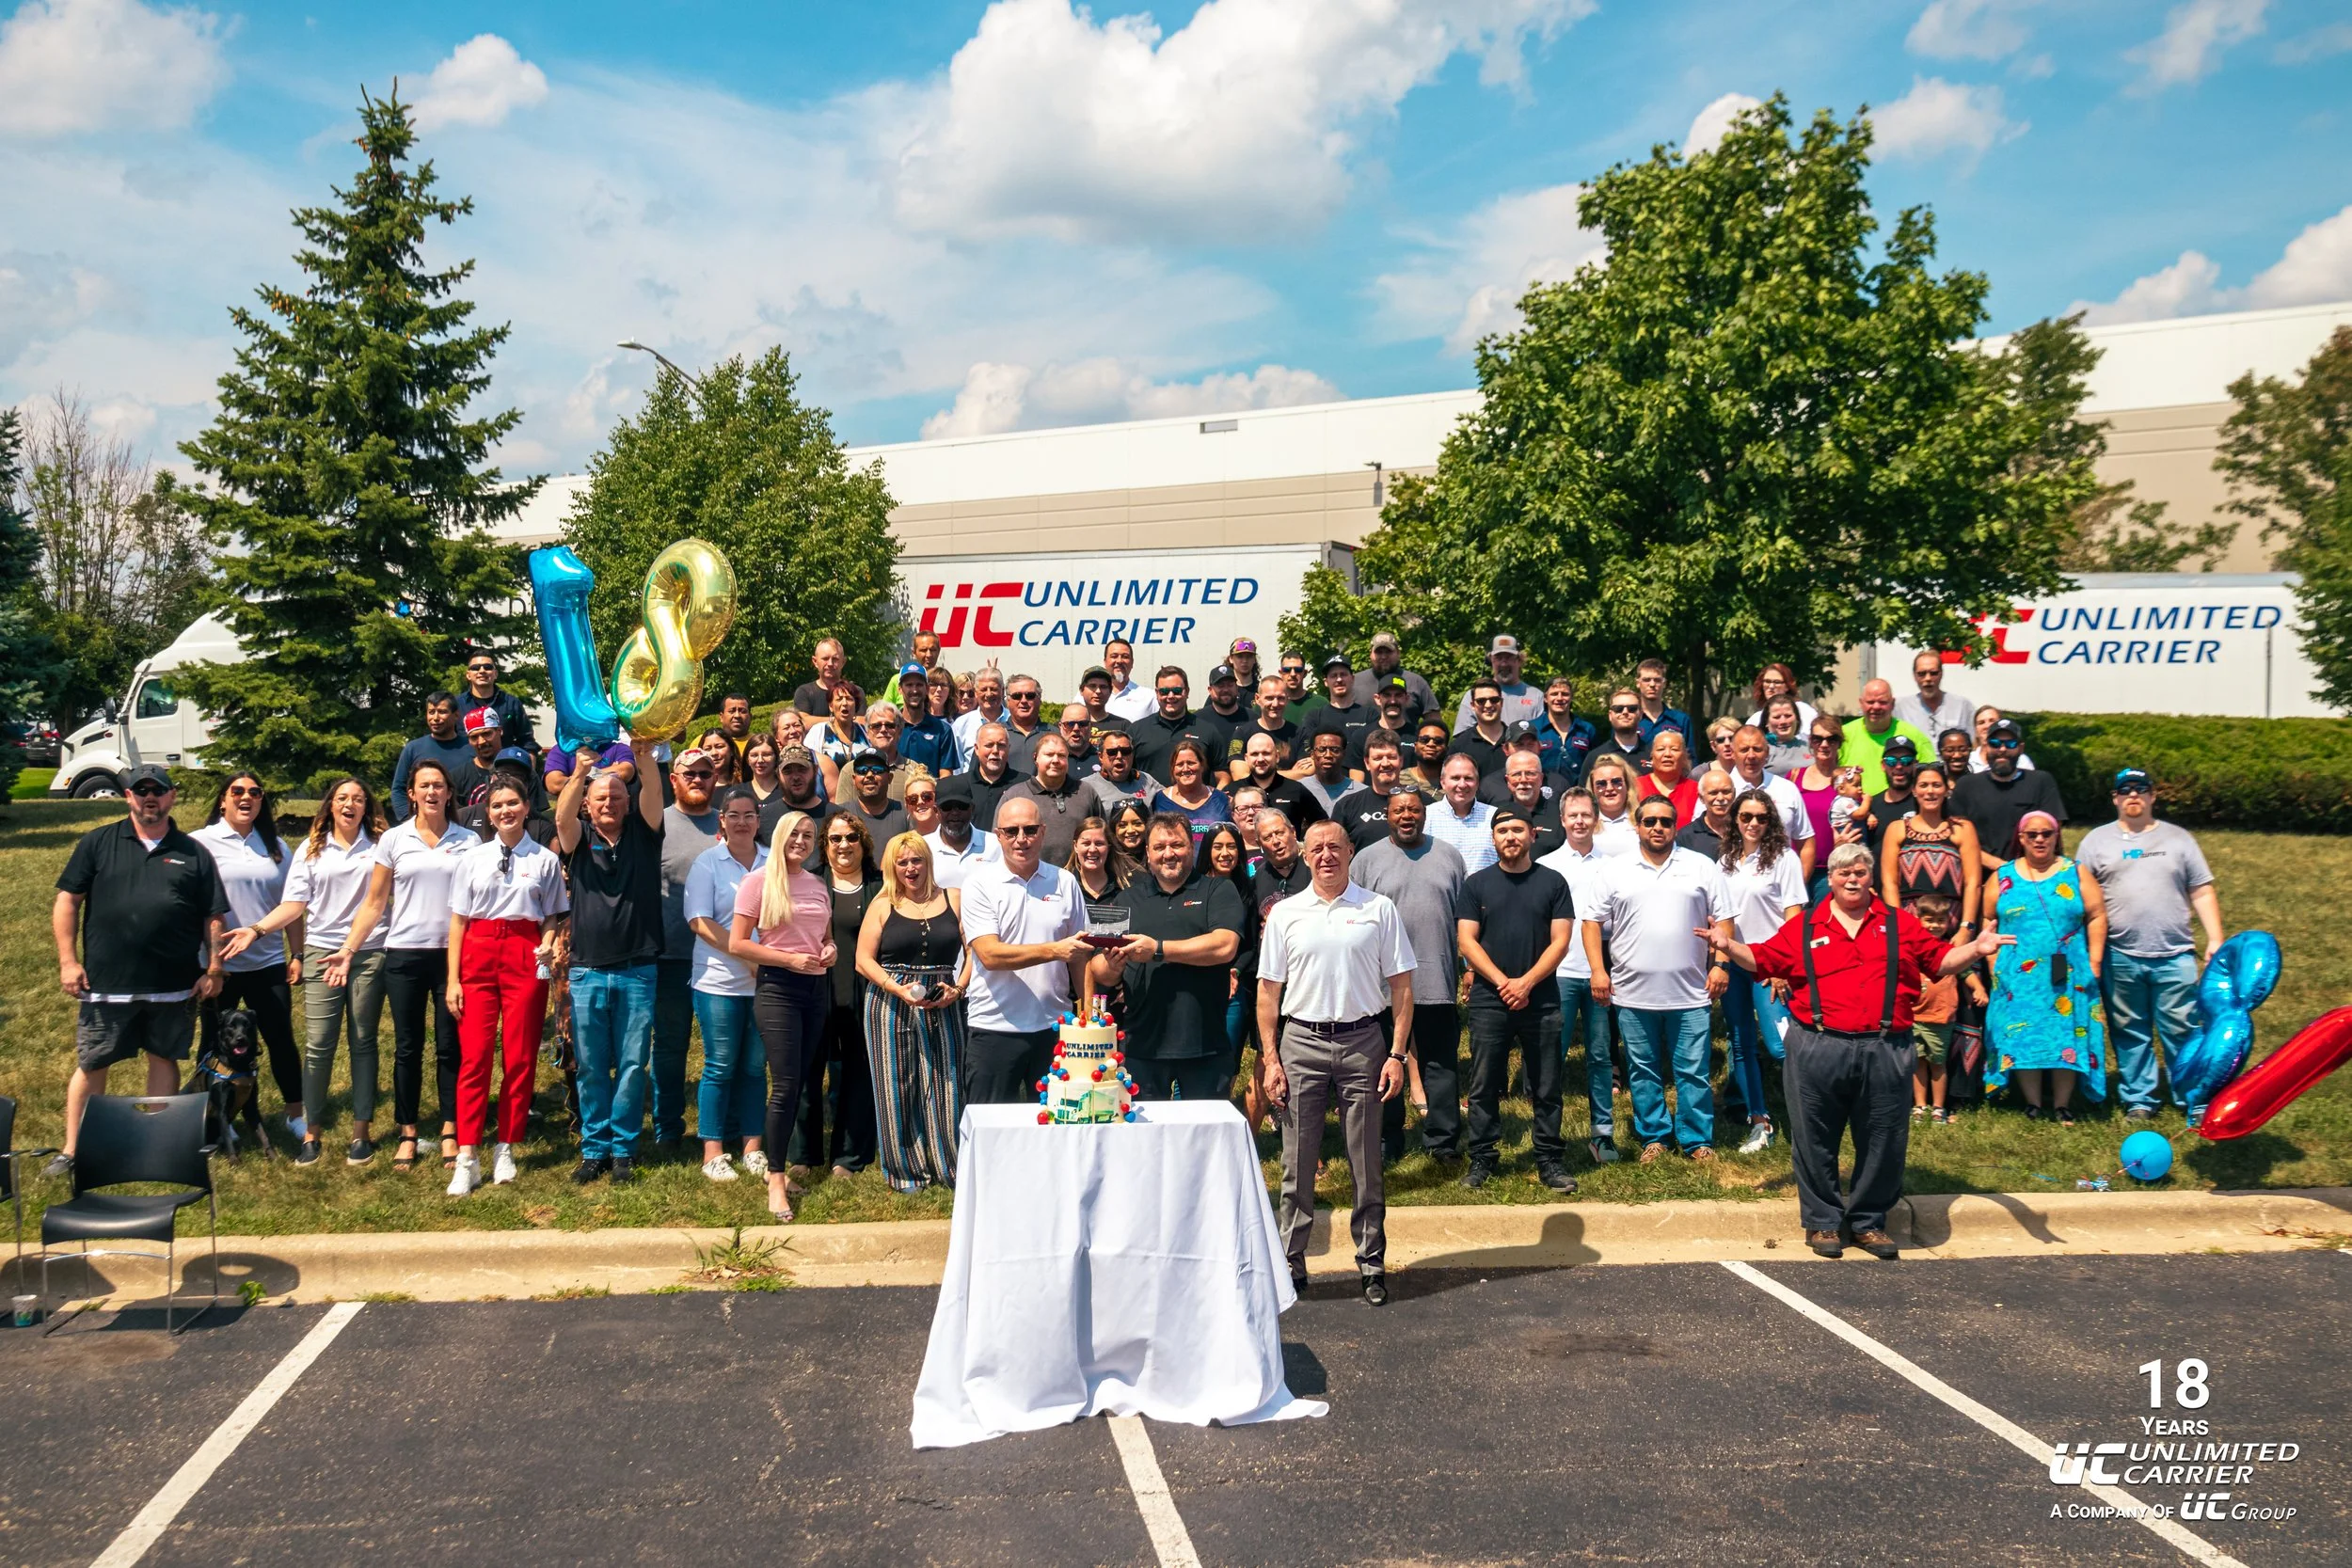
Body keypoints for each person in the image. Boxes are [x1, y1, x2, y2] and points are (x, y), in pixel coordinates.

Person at [1700, 840, 2010, 1258]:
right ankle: (1823, 1222)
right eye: (1843, 871)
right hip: (1817, 1044)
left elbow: (1938, 962)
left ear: (1871, 878)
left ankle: (1867, 1222)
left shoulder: (1900, 924)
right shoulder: (1806, 926)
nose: (1851, 877)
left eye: (1859, 871)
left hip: (1886, 1047)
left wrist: (1975, 949)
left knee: (1883, 1137)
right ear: (1830, 879)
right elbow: (1763, 959)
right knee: (1814, 1138)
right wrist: (1727, 945)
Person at [1257, 821, 1414, 1304]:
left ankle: (1371, 1262)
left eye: (1335, 847)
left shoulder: (1378, 909)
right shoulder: (1285, 913)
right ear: (1305, 857)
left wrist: (1397, 1054)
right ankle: (1292, 1260)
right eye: (1317, 849)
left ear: (1351, 852)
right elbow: (1268, 992)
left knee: (1366, 1160)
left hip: (1364, 1042)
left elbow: (1403, 988)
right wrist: (1270, 1059)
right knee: (1296, 1161)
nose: (1326, 856)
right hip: (1300, 1042)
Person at [49, 763, 230, 1176]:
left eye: (158, 790)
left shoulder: (193, 853)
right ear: (128, 796)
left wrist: (215, 967)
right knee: (93, 1063)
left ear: (172, 796)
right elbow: (67, 902)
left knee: (163, 1060)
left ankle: (155, 1145)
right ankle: (75, 1149)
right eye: (140, 790)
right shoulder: (98, 843)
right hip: (105, 984)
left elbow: (213, 916)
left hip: (172, 986)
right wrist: (68, 961)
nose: (150, 797)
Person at [336, 758, 481, 1173]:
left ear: (449, 793)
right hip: (403, 955)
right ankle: (408, 1131)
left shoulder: (468, 841)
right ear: (412, 794)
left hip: (453, 957)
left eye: (439, 785)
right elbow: (375, 902)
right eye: (424, 786)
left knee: (450, 1046)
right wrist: (349, 948)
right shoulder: (394, 840)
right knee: (407, 1047)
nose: (432, 792)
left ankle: (451, 1127)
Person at [236, 777, 388, 1165]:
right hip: (323, 953)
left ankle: (361, 1133)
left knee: (363, 1042)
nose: (350, 804)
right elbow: (294, 904)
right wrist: (257, 930)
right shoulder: (312, 848)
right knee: (319, 1045)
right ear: (330, 806)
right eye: (342, 799)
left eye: (358, 799)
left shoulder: (382, 846)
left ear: (367, 807)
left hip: (369, 953)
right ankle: (311, 1133)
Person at [1584, 794, 1732, 1162]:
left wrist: (1720, 964)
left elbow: (1725, 917)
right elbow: (1591, 922)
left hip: (1692, 993)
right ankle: (1655, 1137)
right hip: (1633, 995)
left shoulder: (1701, 866)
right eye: (1649, 821)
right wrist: (1598, 970)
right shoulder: (1615, 869)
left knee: (1693, 1072)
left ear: (1675, 825)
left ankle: (1697, 1141)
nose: (1658, 828)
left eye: (1665, 821)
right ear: (1638, 826)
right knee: (1642, 1071)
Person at [440, 777, 566, 1196]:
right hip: (478, 951)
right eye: (497, 806)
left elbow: (551, 915)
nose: (505, 811)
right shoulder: (472, 858)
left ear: (527, 807)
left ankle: (506, 1147)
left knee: (520, 1056)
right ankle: (467, 1155)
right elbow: (458, 920)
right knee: (474, 1058)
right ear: (487, 813)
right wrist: (453, 979)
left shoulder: (545, 860)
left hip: (523, 954)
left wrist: (548, 941)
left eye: (512, 803)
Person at [2075, 768, 2224, 1119]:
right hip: (2120, 954)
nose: (2133, 796)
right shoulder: (2095, 842)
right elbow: (2081, 897)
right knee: (2130, 1031)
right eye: (2124, 790)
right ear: (2115, 798)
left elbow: (2201, 890)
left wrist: (2215, 938)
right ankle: (2139, 1098)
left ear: (2152, 796)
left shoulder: (2179, 839)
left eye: (2140, 789)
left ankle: (2192, 1097)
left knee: (2183, 1029)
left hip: (2175, 954)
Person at [554, 735, 667, 1183]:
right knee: (592, 1066)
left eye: (616, 796)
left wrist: (642, 757)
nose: (609, 803)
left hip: (638, 968)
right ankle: (594, 1149)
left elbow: (654, 793)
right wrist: (581, 773)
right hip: (586, 970)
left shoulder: (645, 832)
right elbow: (561, 816)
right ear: (588, 803)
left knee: (634, 1063)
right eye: (601, 798)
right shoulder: (578, 839)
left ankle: (623, 1150)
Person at [1456, 809, 1579, 1192]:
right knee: (1483, 1084)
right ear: (1493, 838)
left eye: (1517, 830)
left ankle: (1549, 1159)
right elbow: (1466, 941)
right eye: (1502, 830)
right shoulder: (1476, 885)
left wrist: (1525, 983)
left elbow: (1561, 941)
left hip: (1540, 999)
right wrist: (1502, 982)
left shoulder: (1553, 882)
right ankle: (1482, 1158)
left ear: (1532, 834)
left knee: (1546, 1084)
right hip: (1489, 1000)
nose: (1510, 836)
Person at [1095, 814, 1245, 1101]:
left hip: (1205, 1043)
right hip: (1142, 1046)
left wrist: (1158, 950)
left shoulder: (1218, 890)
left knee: (1204, 1139)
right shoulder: (1126, 899)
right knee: (1145, 1140)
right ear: (1148, 853)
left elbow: (1224, 946)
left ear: (1192, 848)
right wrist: (1111, 965)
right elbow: (1099, 971)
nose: (1168, 854)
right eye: (1160, 847)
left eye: (1177, 845)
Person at [1353, 788, 1468, 1161]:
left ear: (1424, 815)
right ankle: (1388, 1141)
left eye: (1414, 810)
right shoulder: (1367, 861)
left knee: (1441, 1066)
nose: (1407, 816)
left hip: (1438, 981)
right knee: (1383, 1065)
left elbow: (1463, 921)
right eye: (1399, 810)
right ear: (1388, 815)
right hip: (1380, 988)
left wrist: (1466, 968)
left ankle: (1443, 1141)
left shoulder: (1449, 856)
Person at [730, 811, 833, 1220]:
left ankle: (781, 1167)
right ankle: (776, 1177)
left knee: (805, 1080)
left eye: (809, 835)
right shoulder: (757, 881)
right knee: (785, 1085)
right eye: (795, 833)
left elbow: (823, 937)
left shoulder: (817, 883)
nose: (802, 841)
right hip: (778, 989)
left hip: (816, 988)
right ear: (779, 837)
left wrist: (830, 950)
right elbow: (738, 944)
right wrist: (787, 959)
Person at [191, 772, 303, 1143]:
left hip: (267, 963)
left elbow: (291, 905)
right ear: (222, 800)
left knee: (280, 1040)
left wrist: (297, 953)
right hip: (217, 967)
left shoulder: (276, 847)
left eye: (255, 792)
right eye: (237, 791)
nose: (246, 798)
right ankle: (214, 1117)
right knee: (212, 1044)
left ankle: (294, 1114)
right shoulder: (199, 843)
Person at [856, 832, 970, 1192]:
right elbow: (862, 960)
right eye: (902, 862)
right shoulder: (883, 904)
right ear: (892, 866)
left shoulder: (954, 898)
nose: (910, 868)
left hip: (944, 996)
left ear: (928, 862)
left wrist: (959, 987)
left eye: (917, 860)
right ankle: (905, 1170)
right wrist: (895, 988)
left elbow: (975, 952)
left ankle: (949, 1164)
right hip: (890, 1001)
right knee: (896, 1082)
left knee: (947, 1081)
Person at [959, 798, 1091, 1105]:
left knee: (1057, 1127)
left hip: (1054, 1028)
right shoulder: (979, 884)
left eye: (1030, 830)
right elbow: (990, 956)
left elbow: (1080, 957)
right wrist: (1055, 950)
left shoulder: (1065, 881)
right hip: (994, 1028)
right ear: (998, 835)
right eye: (1012, 831)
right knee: (990, 1130)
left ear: (1043, 832)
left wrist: (1084, 1019)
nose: (1022, 839)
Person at [1982, 812, 2109, 1125]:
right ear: (2021, 838)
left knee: (2066, 1033)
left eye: (2046, 834)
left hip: (2069, 971)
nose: (2040, 839)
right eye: (2032, 834)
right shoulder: (2003, 875)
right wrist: (1992, 961)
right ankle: (2033, 1103)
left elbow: (2097, 915)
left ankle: (2063, 1104)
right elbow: (1988, 919)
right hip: (2017, 973)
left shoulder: (2075, 872)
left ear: (2056, 836)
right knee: (2024, 1034)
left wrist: (2094, 961)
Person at [685, 786, 769, 1183]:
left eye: (748, 815)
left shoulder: (773, 863)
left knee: (754, 1067)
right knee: (719, 1066)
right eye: (733, 815)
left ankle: (753, 1146)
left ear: (758, 820)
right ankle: (713, 1151)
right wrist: (746, 954)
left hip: (764, 983)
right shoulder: (708, 863)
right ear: (722, 820)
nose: (741, 822)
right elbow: (699, 921)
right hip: (718, 982)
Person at [1718, 790, 1806, 1155]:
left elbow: (1795, 917)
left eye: (1761, 817)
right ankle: (1760, 1121)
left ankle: (1806, 1117)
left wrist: (1783, 965)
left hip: (1770, 966)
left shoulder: (1784, 858)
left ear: (1770, 821)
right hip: (1735, 963)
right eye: (1746, 816)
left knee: (1780, 1045)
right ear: (1736, 819)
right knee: (1740, 1044)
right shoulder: (1724, 861)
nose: (1753, 823)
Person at [1537, 789, 1620, 1165]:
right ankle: (1548, 1137)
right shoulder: (1548, 865)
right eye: (1573, 815)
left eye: (1587, 814)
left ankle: (1602, 1136)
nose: (1580, 821)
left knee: (1601, 1056)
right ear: (1562, 819)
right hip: (1560, 974)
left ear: (1596, 817)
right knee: (1551, 1057)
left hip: (1601, 974)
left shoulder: (1615, 864)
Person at [649, 748, 723, 1161]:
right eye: (688, 773)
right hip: (671, 954)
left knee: (721, 1049)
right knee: (671, 1046)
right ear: (673, 779)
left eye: (705, 773)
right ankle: (668, 1128)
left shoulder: (728, 822)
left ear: (716, 778)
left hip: (719, 957)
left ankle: (721, 1126)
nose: (697, 779)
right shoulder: (657, 822)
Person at [802, 814, 880, 1179]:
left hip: (865, 994)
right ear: (825, 846)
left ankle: (848, 1157)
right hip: (815, 993)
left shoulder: (881, 886)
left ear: (863, 843)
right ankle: (804, 1155)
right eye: (835, 839)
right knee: (809, 1074)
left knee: (857, 1076)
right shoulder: (808, 884)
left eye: (851, 837)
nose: (843, 845)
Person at [1950, 718, 2067, 865]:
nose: (2002, 749)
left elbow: (2051, 832)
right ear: (1986, 747)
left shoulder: (2041, 782)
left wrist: (2018, 871)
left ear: (2021, 748)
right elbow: (1957, 837)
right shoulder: (1966, 785)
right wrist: (2002, 867)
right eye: (1995, 744)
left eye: (2010, 744)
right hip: (1981, 874)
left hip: (2032, 873)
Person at [1905, 894, 1980, 1125]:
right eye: (1929, 920)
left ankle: (1939, 1107)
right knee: (1917, 1062)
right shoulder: (1912, 947)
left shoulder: (1950, 948)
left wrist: (1978, 989)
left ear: (1949, 922)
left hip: (1940, 1017)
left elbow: (1965, 971)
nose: (1934, 925)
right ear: (1918, 920)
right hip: (1914, 1015)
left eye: (1940, 920)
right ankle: (1919, 1105)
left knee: (1938, 1063)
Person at [1879, 764, 1982, 928]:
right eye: (1923, 785)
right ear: (1914, 790)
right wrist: (1899, 926)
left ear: (1947, 790)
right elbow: (1890, 884)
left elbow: (1973, 883)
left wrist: (1966, 927)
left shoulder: (1962, 829)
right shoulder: (1897, 829)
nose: (1930, 791)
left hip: (1950, 926)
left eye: (1936, 785)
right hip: (1908, 926)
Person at [1200, 822, 1258, 1086]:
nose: (1225, 853)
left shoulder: (1249, 890)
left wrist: (1235, 970)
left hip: (1235, 986)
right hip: (1197, 983)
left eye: (1232, 846)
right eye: (1218, 846)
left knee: (1227, 1060)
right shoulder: (1194, 888)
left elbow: (1252, 943)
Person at [1726, 725, 1816, 875]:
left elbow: (1806, 843)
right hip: (1732, 884)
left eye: (1757, 749)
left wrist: (1799, 885)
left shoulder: (1787, 789)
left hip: (1781, 885)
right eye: (1744, 750)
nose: (1751, 755)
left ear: (1767, 752)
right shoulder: (1719, 790)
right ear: (1733, 753)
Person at [1000, 731, 1089, 864]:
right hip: (1027, 879)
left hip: (1078, 879)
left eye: (1061, 755)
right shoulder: (1014, 796)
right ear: (1035, 758)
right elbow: (998, 841)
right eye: (1049, 755)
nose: (1055, 760)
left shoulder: (1086, 792)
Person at [389, 692, 474, 823]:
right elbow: (399, 789)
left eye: (442, 712)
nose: (435, 718)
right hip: (422, 825)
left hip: (464, 825)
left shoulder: (470, 748)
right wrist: (408, 818)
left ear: (456, 715)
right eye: (431, 712)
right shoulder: (413, 748)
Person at [1130, 667, 1222, 785]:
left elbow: (1222, 775)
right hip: (1150, 803)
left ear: (1187, 692)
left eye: (1177, 690)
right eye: (1164, 691)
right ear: (1157, 693)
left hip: (1196, 803)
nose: (1171, 696)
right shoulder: (1137, 730)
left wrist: (1213, 800)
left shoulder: (1208, 730)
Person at [1840, 679, 1932, 797]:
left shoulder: (1913, 735)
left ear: (1893, 703)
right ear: (1861, 703)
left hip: (1902, 808)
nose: (1876, 707)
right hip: (1853, 810)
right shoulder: (1843, 736)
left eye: (1883, 702)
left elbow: (1931, 775)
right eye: (1870, 702)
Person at [1331, 734, 1420, 849]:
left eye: (1391, 757)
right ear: (1367, 763)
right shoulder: (1347, 807)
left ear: (1401, 760)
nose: (1385, 763)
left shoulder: (1423, 802)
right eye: (1378, 758)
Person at [1226, 730, 1317, 833]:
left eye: (1266, 753)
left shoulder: (1296, 790)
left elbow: (1321, 825)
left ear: (1277, 756)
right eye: (1255, 754)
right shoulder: (1232, 791)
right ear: (1246, 758)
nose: (1260, 759)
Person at [1300, 654, 1380, 771]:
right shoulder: (1314, 717)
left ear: (1352, 679)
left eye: (1343, 674)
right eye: (1333, 676)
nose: (1339, 680)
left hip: (1362, 783)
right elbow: (1309, 755)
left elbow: (1375, 752)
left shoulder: (1370, 715)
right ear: (1326, 682)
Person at [925, 773, 1000, 890]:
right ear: (936, 811)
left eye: (962, 806)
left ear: (972, 808)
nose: (955, 812)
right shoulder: (923, 847)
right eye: (947, 807)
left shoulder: (995, 844)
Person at [1426, 752, 1498, 875]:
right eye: (1455, 778)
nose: (1462, 784)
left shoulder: (1494, 816)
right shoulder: (1426, 816)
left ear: (1478, 782)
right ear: (1443, 782)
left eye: (1468, 778)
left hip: (1484, 892)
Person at [1486, 749, 1567, 856]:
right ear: (1507, 781)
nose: (1523, 779)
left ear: (1541, 778)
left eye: (1530, 773)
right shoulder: (1493, 813)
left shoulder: (1560, 814)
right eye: (1516, 774)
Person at [1149, 737, 1233, 839]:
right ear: (1173, 769)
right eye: (1180, 764)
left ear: (1202, 765)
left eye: (1191, 763)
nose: (1185, 769)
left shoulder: (1221, 799)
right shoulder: (1159, 800)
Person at [1452, 634, 1540, 730]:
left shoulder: (1536, 697)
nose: (1504, 663)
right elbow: (1463, 738)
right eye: (1498, 658)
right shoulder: (1474, 696)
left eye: (1509, 657)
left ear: (1519, 660)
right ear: (1490, 661)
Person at [458, 649, 534, 757]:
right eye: (475, 668)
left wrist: (528, 769)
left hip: (505, 768)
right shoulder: (457, 705)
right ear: (468, 675)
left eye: (487, 667)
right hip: (468, 770)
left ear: (495, 674)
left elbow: (527, 741)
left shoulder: (511, 703)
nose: (482, 671)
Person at [1351, 631, 1437, 726]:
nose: (1383, 656)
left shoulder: (1416, 682)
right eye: (1379, 652)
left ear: (1398, 653)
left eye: (1388, 651)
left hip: (1407, 740)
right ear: (1371, 654)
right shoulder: (1354, 682)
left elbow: (1435, 723)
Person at [836, 748, 912, 847]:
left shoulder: (906, 813)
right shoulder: (840, 815)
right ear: (854, 780)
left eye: (877, 770)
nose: (869, 775)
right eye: (862, 770)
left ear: (890, 778)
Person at [1894, 650, 1973, 745]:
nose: (1928, 678)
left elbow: (1975, 742)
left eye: (1933, 673)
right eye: (1922, 674)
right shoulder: (1901, 708)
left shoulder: (1962, 706)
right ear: (1914, 676)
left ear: (1941, 674)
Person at [896, 667, 961, 779]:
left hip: (930, 795)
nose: (915, 690)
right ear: (900, 689)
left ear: (926, 688)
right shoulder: (890, 727)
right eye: (909, 685)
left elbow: (946, 776)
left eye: (919, 685)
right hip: (895, 794)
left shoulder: (943, 730)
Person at [1531, 675, 1598, 783]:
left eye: (1565, 694)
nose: (1559, 698)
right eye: (1554, 694)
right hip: (1543, 793)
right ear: (1545, 698)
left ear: (1571, 698)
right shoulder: (1533, 729)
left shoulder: (1586, 729)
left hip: (1578, 794)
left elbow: (1596, 766)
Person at [1080, 728, 1161, 817]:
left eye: (1125, 751)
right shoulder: (1087, 787)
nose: (1119, 756)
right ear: (1100, 756)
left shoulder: (1146, 779)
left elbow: (1171, 798)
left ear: (1132, 755)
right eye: (1112, 752)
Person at [1861, 735, 1921, 851]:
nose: (1899, 767)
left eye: (1906, 761)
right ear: (1883, 765)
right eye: (1891, 761)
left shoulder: (1924, 804)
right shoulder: (1869, 806)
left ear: (1915, 765)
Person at [810, 680, 867, 800]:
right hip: (828, 802)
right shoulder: (819, 731)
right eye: (839, 699)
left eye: (849, 699)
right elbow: (808, 765)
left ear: (856, 705)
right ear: (831, 706)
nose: (844, 703)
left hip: (863, 802)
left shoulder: (866, 732)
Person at [760, 745, 828, 847]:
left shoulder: (834, 818)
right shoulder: (763, 819)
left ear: (815, 770)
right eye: (788, 771)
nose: (795, 777)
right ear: (778, 774)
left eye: (802, 769)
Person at [1448, 678, 1511, 780]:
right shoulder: (1459, 746)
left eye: (1494, 700)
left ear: (1502, 703)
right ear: (1472, 705)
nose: (1488, 705)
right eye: (1481, 701)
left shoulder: (1516, 740)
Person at [1634, 729, 1698, 828]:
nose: (1667, 754)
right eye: (1660, 749)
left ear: (1684, 756)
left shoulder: (1696, 790)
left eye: (1675, 749)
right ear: (1652, 756)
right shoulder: (1635, 787)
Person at [1297, 729, 1365, 819]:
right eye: (1322, 750)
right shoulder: (1299, 789)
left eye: (1335, 750)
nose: (1328, 755)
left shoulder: (1361, 793)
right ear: (1312, 754)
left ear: (1344, 754)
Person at [1585, 689, 1651, 778]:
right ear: (1610, 715)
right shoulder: (1595, 757)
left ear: (1640, 714)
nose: (1625, 712)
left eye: (1632, 708)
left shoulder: (1653, 755)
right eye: (1618, 709)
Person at [1582, 754, 1640, 856]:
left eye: (1616, 782)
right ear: (1592, 789)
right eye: (1601, 784)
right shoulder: (1583, 822)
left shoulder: (1643, 821)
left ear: (1627, 785)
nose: (1609, 788)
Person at [964, 723, 1019, 830]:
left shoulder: (1024, 785)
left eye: (1001, 745)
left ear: (1009, 748)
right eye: (989, 745)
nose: (995, 751)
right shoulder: (960, 785)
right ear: (976, 748)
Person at [1676, 768, 1737, 862]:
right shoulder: (1686, 837)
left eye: (1726, 792)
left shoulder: (1744, 830)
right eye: (1713, 793)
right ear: (1701, 798)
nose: (1720, 798)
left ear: (1734, 794)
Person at [1197, 662, 1250, 767]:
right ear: (1210, 690)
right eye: (1220, 686)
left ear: (1237, 687)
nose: (1226, 690)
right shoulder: (1197, 721)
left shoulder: (1252, 718)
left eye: (1230, 685)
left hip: (1245, 781)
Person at [1745, 663, 1820, 735]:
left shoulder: (1804, 711)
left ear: (1787, 686)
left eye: (1777, 682)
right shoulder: (1754, 720)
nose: (1771, 686)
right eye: (1767, 681)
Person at [1630, 658, 1692, 746]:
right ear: (1638, 683)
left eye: (1657, 680)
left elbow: (1690, 757)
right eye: (1646, 680)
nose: (1652, 685)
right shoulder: (1628, 719)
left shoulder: (1681, 720)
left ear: (1664, 683)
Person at [999, 673, 1049, 775]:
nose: (1023, 701)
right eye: (1017, 696)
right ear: (1007, 701)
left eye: (1030, 696)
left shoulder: (1054, 734)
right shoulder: (995, 734)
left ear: (1040, 699)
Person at [1969, 705, 2037, 773]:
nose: (1987, 726)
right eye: (1981, 723)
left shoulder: (2021, 761)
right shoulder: (1969, 760)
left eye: (1992, 720)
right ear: (1975, 730)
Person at [792, 636, 850, 717]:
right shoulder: (804, 692)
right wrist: (842, 720)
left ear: (843, 662)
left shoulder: (854, 692)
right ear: (815, 661)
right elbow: (804, 722)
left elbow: (861, 722)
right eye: (825, 659)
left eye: (835, 659)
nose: (830, 664)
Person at [1101, 637, 1152, 721]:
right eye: (1114, 656)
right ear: (1105, 662)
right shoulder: (1088, 696)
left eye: (1125, 656)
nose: (1119, 661)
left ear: (1132, 663)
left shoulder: (1148, 697)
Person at [1761, 695, 1810, 775]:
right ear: (1767, 722)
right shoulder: (1761, 750)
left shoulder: (1810, 747)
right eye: (1777, 717)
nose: (1783, 721)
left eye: (1788, 716)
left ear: (1797, 719)